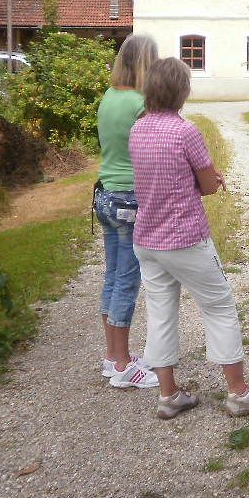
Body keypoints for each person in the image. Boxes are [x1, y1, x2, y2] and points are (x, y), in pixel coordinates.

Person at [128, 57, 249, 420]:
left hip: (147, 239)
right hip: (184, 239)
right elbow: (208, 186)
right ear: (182, 91)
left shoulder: (138, 129)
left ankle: (169, 396)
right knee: (220, 306)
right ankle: (239, 393)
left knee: (161, 313)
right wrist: (213, 178)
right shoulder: (185, 132)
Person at [95, 33, 160, 389]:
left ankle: (112, 356)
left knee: (112, 276)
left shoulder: (109, 97)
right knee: (127, 281)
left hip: (105, 196)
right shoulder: (140, 103)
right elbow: (151, 151)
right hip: (128, 200)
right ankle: (123, 366)